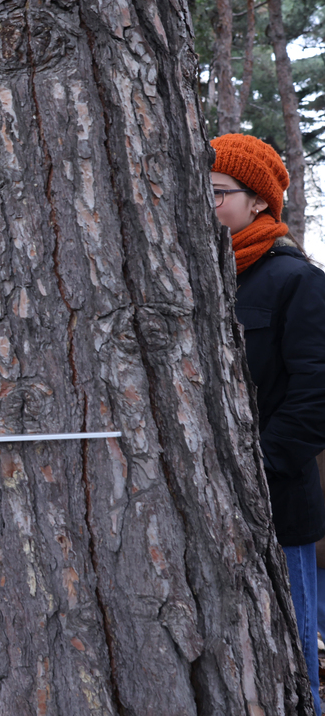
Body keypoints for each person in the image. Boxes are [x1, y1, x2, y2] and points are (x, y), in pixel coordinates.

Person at [211, 133, 325, 716]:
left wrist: (258, 465)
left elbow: (316, 397)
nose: (207, 205)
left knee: (293, 661)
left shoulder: (296, 280)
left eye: (218, 194)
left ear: (259, 201)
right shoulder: (201, 277)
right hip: (210, 503)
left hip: (278, 502)